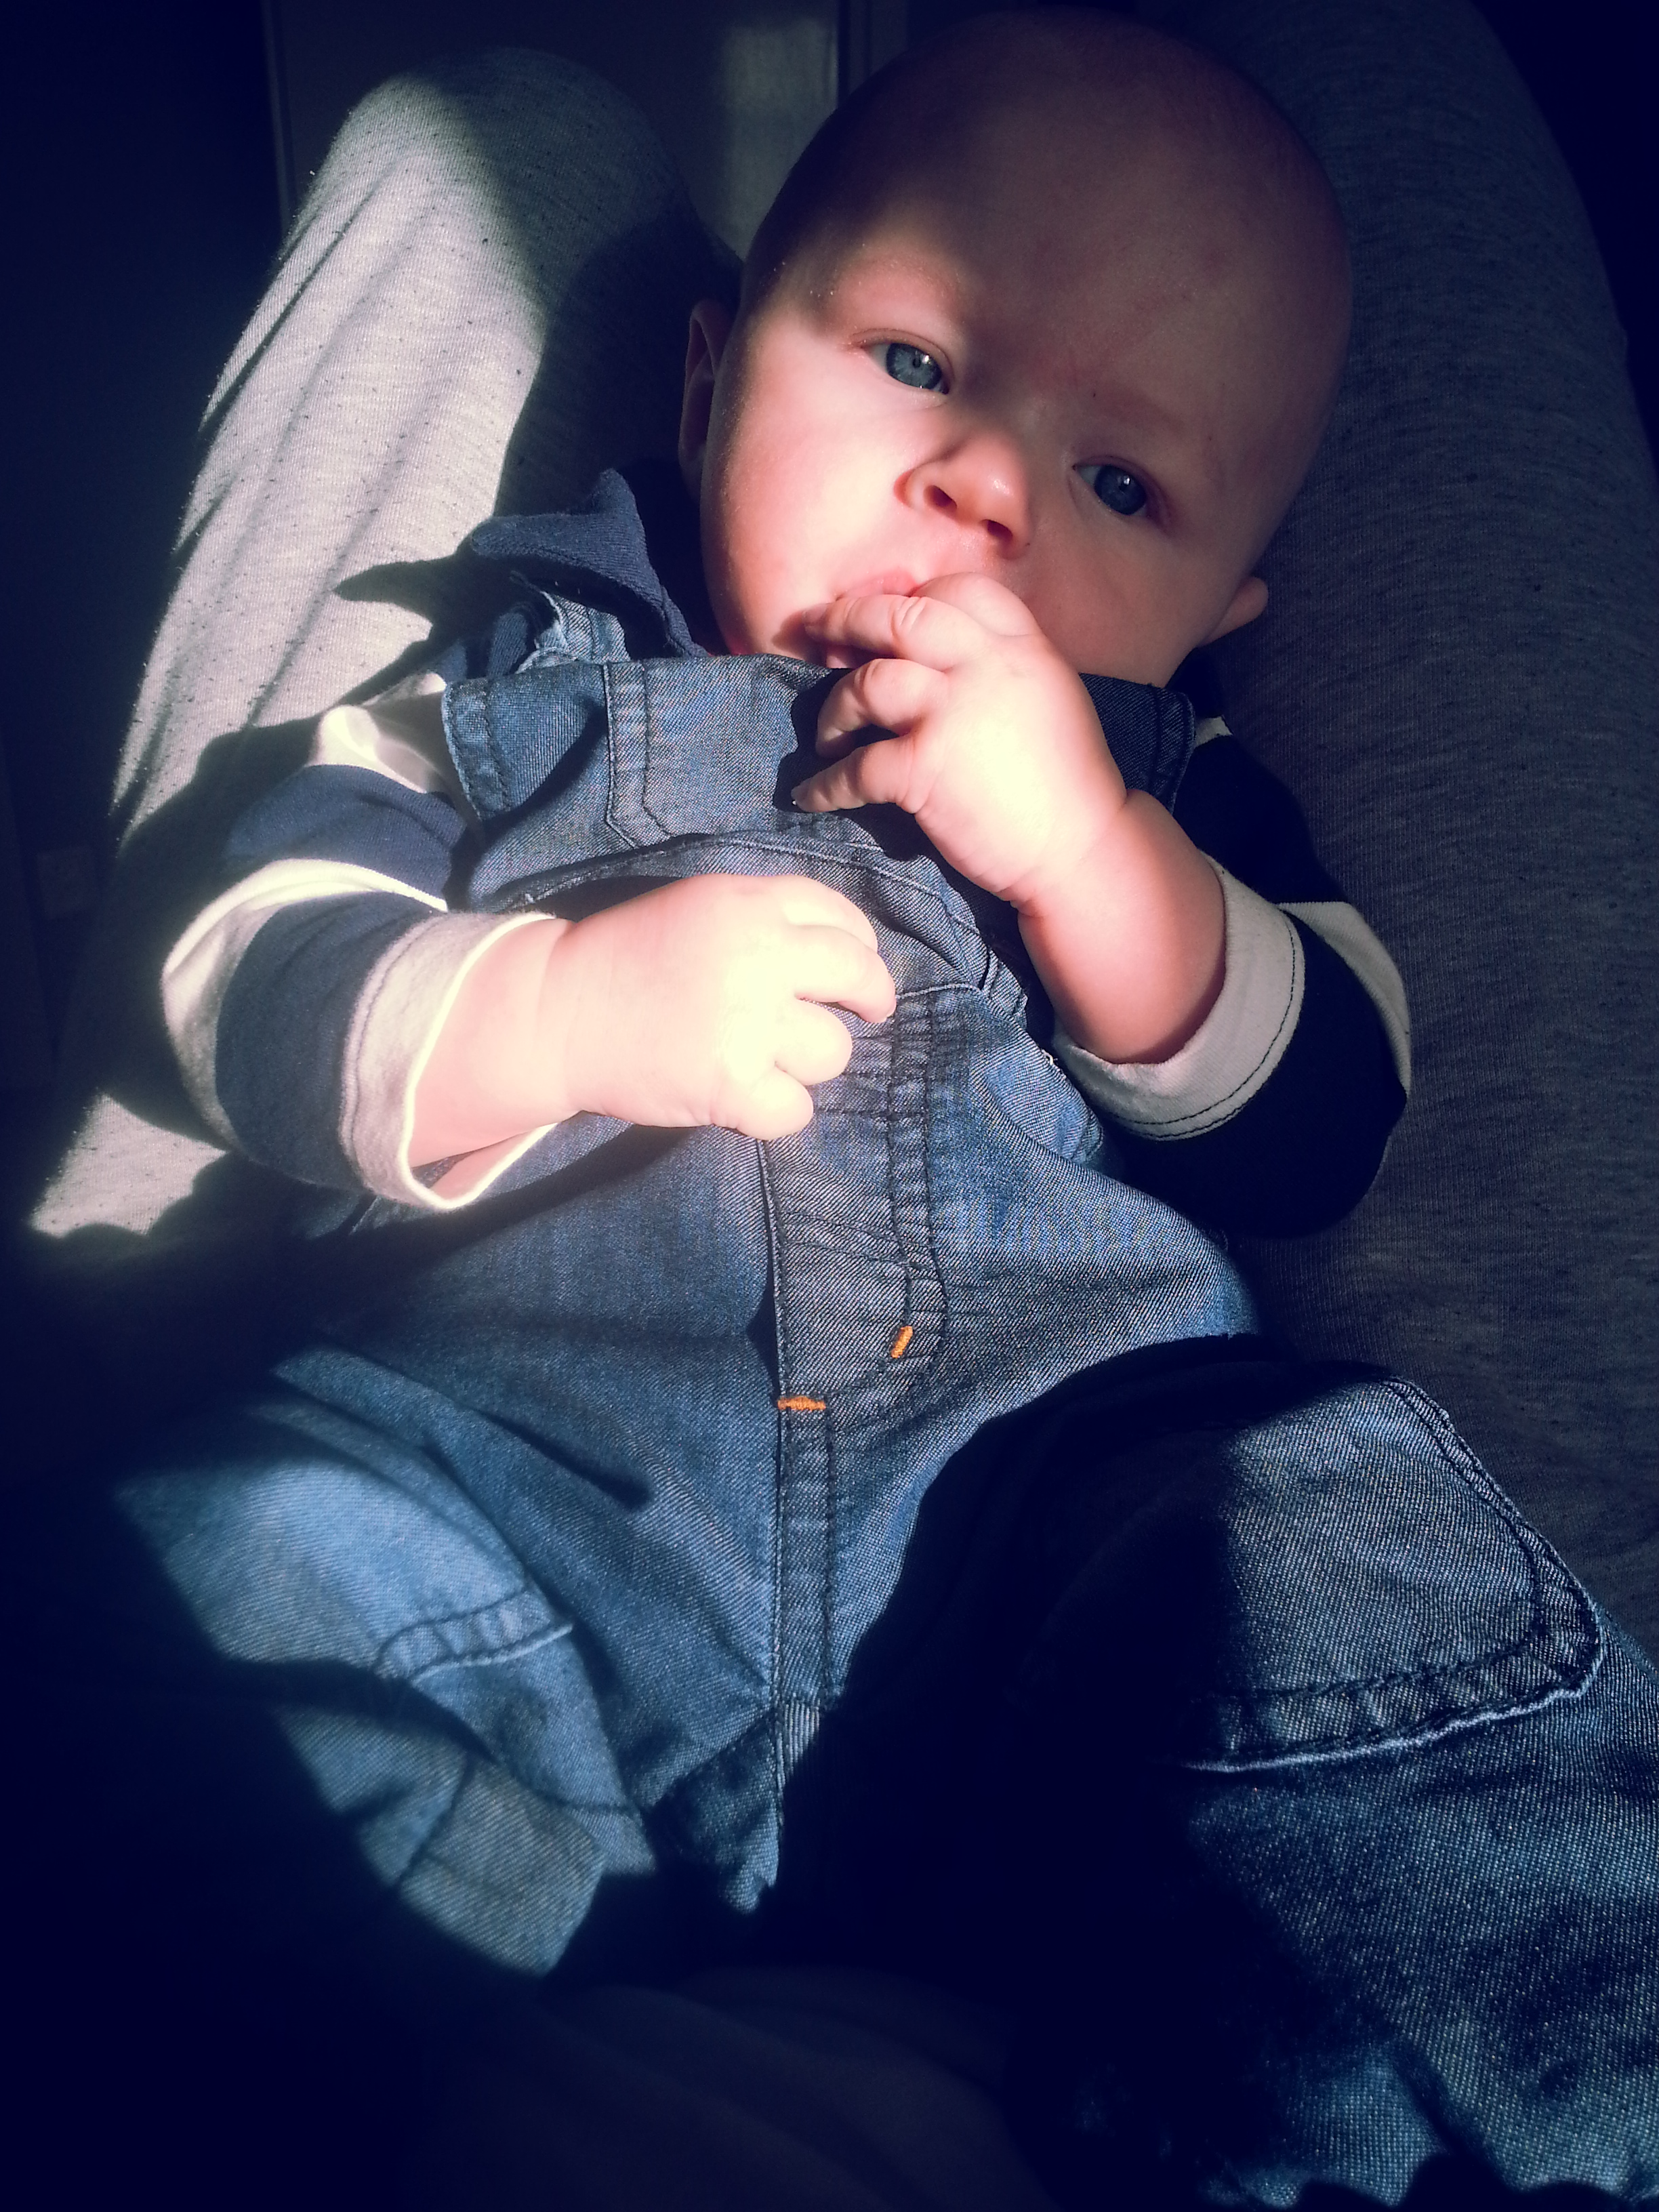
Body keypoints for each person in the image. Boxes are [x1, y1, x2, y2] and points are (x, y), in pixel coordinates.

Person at [4, 12, 1654, 2210]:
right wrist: (543, 1008)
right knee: (164, 1650)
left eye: (1124, 487)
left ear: (1223, 614)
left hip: (1062, 1537)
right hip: (520, 1499)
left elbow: (1333, 1108)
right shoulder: (498, 675)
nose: (986, 487)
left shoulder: (1168, 783)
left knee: (1368, 1583)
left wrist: (1098, 860)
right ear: (704, 384)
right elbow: (236, 956)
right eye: (916, 361)